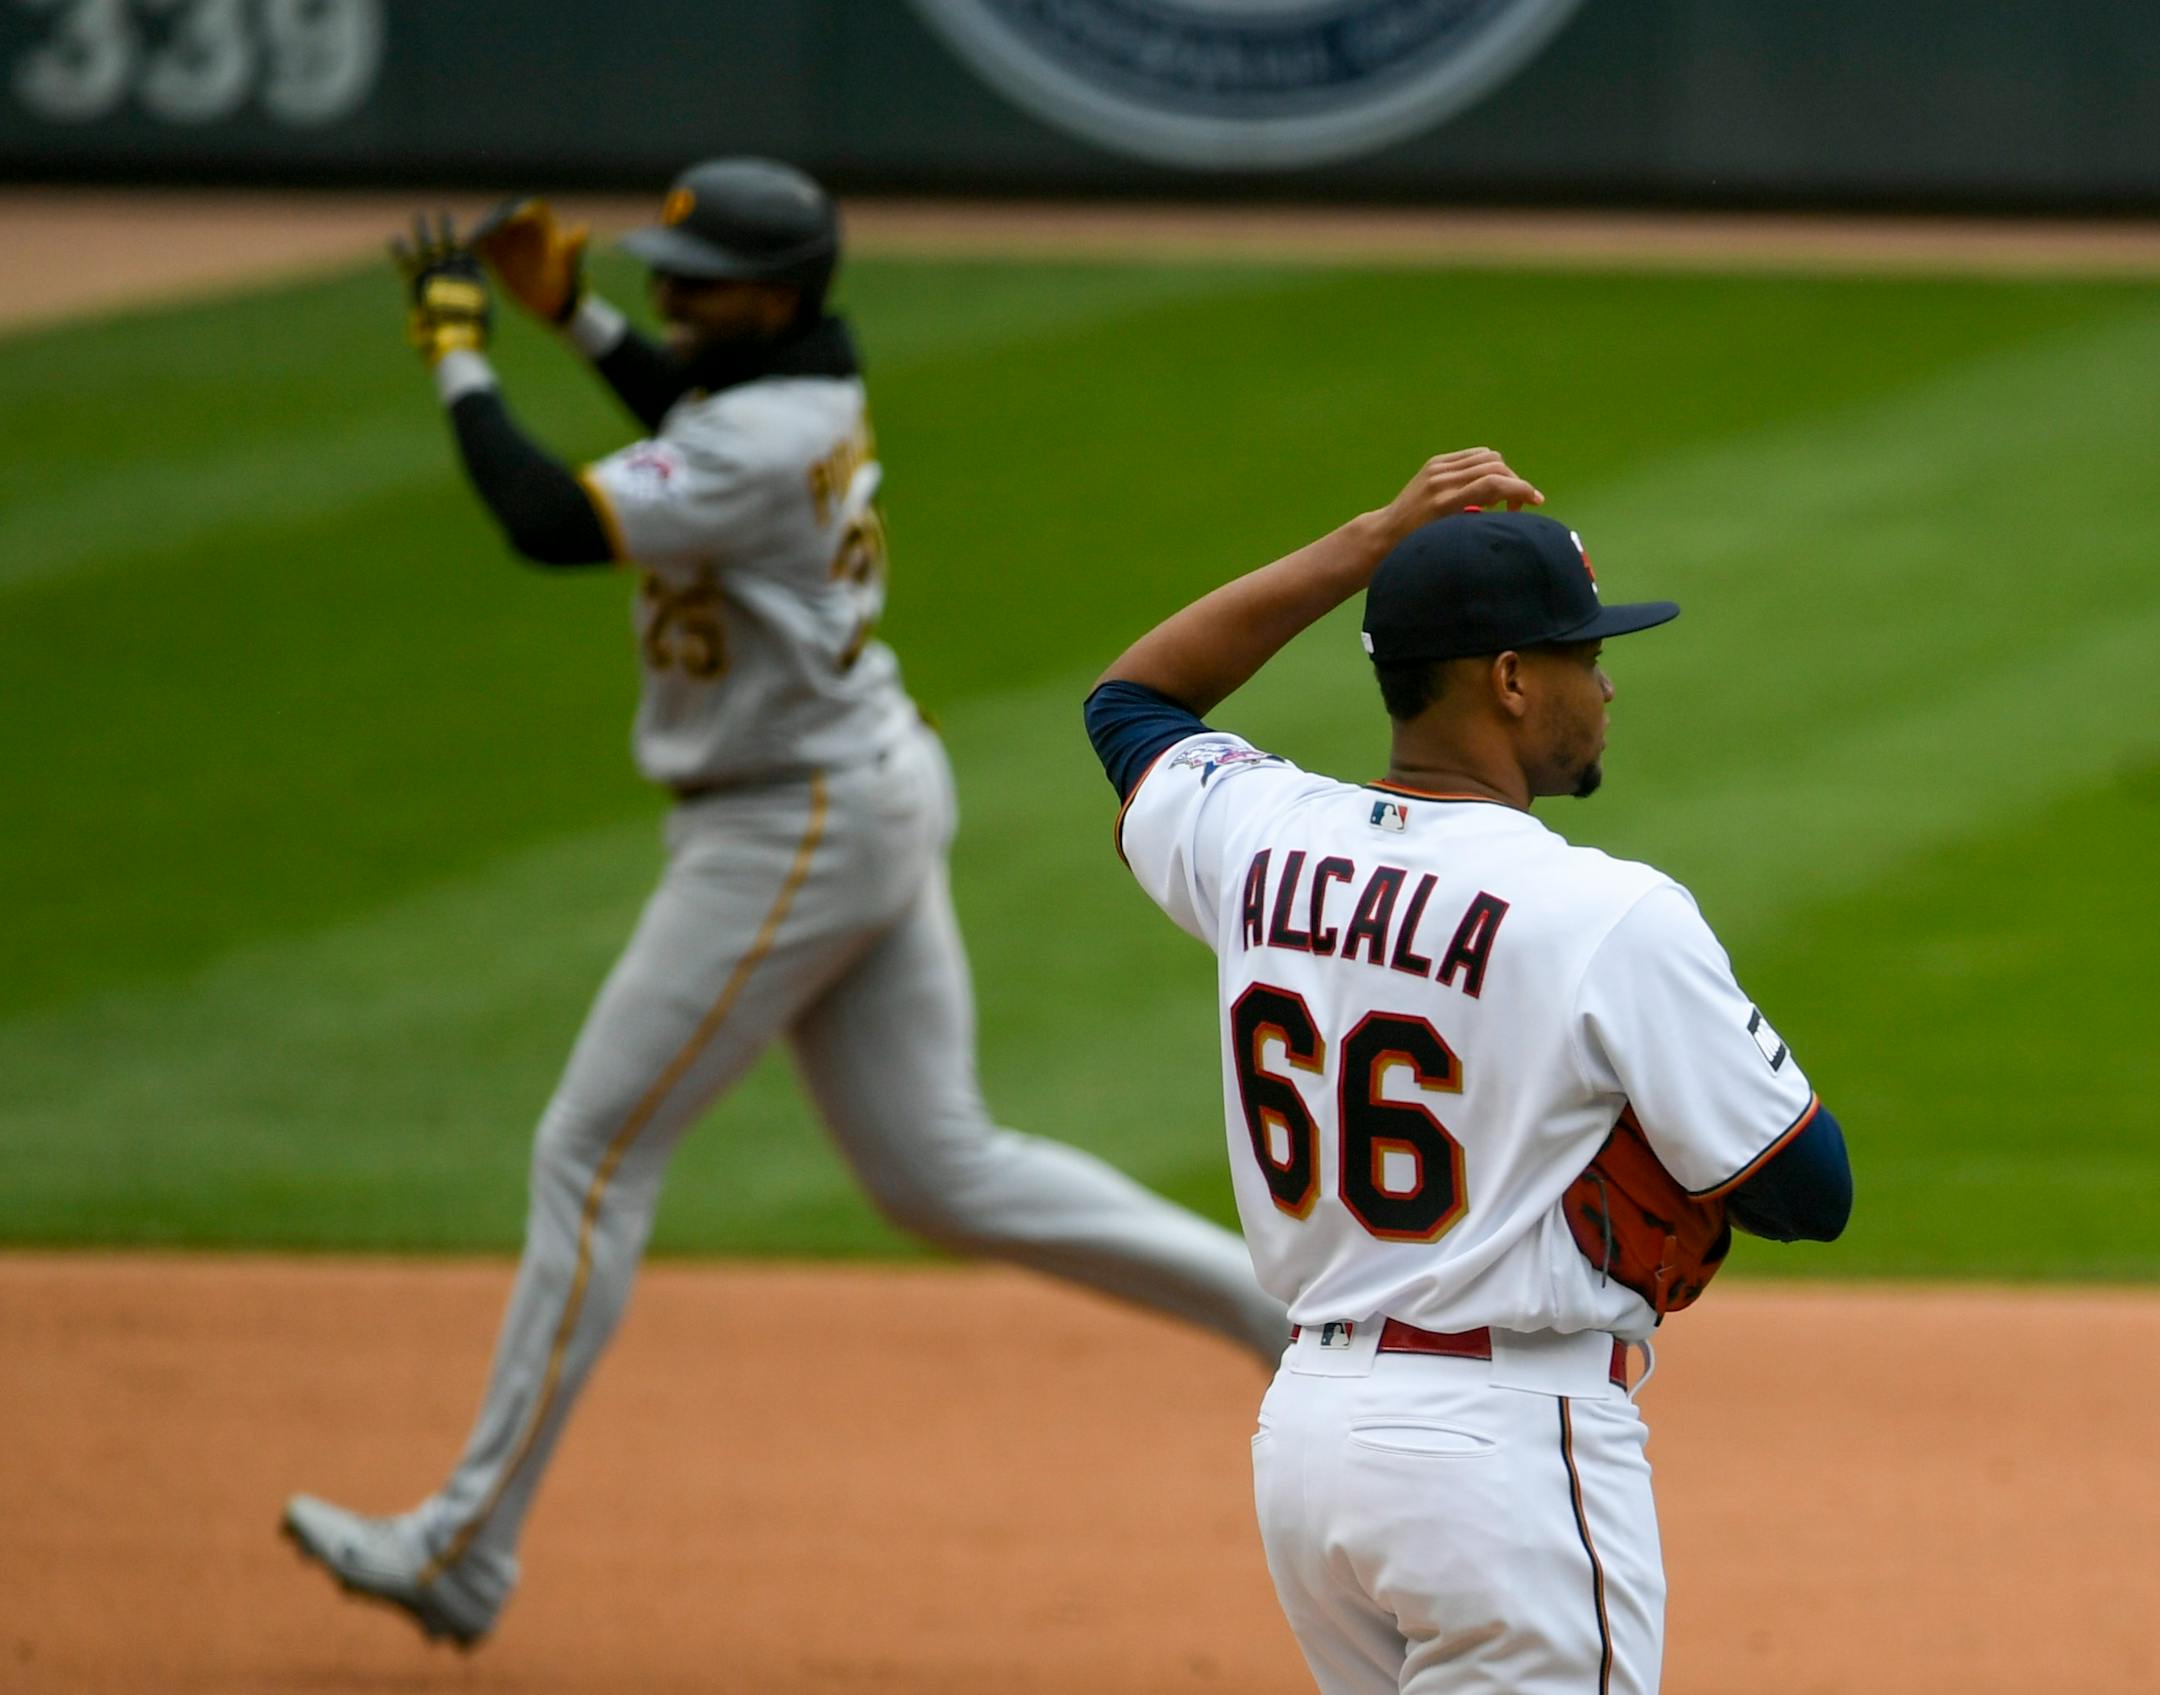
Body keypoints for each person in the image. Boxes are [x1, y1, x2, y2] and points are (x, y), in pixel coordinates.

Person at [280, 158, 1288, 1648]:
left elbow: (551, 518)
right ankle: (1295, 1324)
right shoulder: (798, 389)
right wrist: (582, 323)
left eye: (699, 282)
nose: (671, 300)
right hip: (862, 778)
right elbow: (692, 432)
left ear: (780, 292)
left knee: (588, 1154)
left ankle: (463, 1544)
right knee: (943, 1170)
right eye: (663, 278)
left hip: (791, 824)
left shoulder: (761, 429)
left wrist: (465, 355)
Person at [1083, 448, 1852, 1695]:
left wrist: (1368, 541)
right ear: (1507, 680)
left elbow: (1133, 703)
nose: (1605, 686)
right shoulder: (1602, 910)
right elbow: (1809, 1190)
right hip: (1501, 1454)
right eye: (1583, 657)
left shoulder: (1259, 834)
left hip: (1313, 1450)